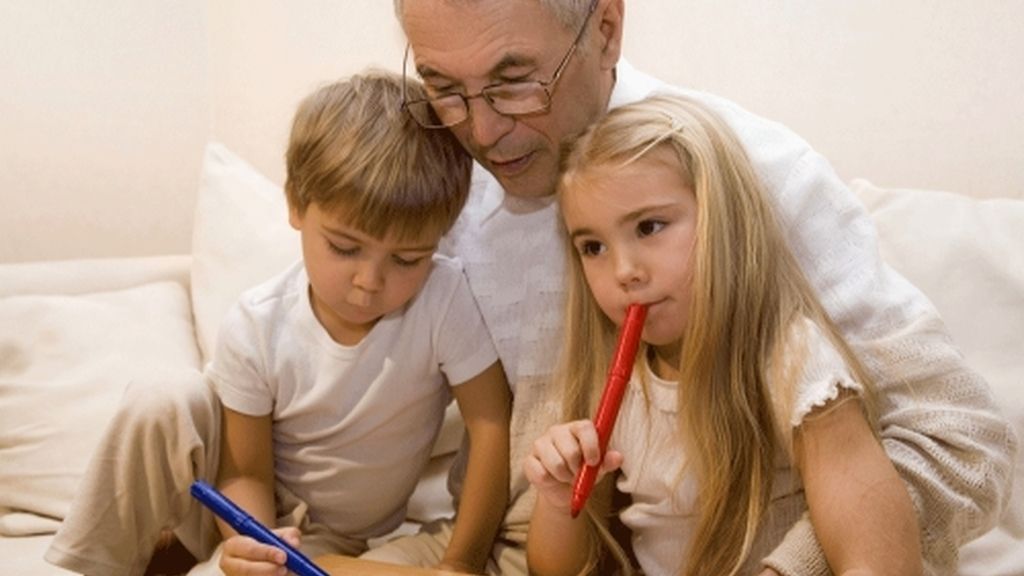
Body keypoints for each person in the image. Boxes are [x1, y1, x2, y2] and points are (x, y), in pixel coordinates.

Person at [365, 0, 1016, 574]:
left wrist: (792, 566)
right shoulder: (437, 184)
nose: (479, 132)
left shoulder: (749, 180)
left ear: (607, 28)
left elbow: (960, 441)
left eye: (515, 84)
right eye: (441, 86)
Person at [45, 71, 511, 576]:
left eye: (407, 259)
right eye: (345, 247)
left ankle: (176, 552)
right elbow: (244, 470)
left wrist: (461, 562)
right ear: (294, 204)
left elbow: (491, 426)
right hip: (236, 495)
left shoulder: (444, 298)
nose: (369, 282)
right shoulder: (257, 322)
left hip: (329, 536)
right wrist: (253, 542)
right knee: (162, 400)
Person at [524, 94, 923, 576]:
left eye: (649, 227)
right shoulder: (612, 374)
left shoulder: (793, 360)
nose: (624, 271)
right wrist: (556, 498)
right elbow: (555, 570)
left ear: (723, 220)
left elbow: (881, 560)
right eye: (593, 247)